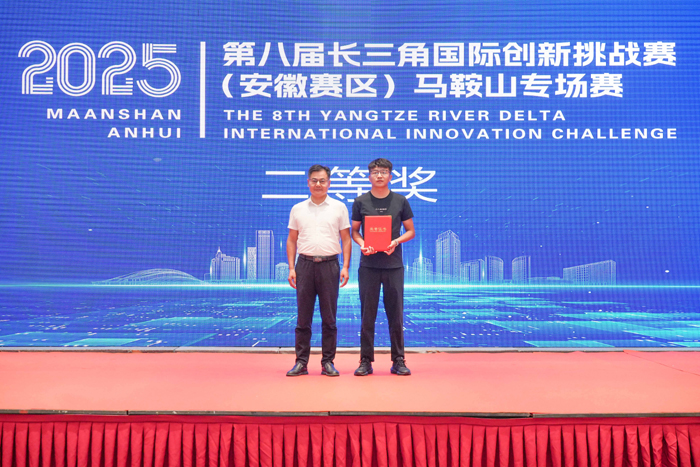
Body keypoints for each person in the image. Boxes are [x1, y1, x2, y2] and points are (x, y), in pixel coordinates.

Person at [286, 164, 352, 376]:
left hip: (330, 266)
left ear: (329, 183)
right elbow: (292, 239)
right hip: (304, 266)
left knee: (329, 318)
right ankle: (301, 362)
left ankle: (328, 362)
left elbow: (346, 239)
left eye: (322, 181)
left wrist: (346, 266)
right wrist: (291, 267)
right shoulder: (297, 208)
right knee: (302, 318)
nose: (318, 184)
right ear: (308, 182)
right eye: (314, 180)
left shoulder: (339, 207)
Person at [351, 158, 415, 376]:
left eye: (384, 172)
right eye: (375, 172)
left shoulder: (400, 200)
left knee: (395, 315)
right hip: (368, 265)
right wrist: (362, 244)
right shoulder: (360, 201)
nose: (379, 175)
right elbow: (355, 232)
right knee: (367, 314)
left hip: (393, 265)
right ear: (369, 176)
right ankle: (365, 361)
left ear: (391, 175)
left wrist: (395, 241)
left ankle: (398, 359)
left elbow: (410, 231)